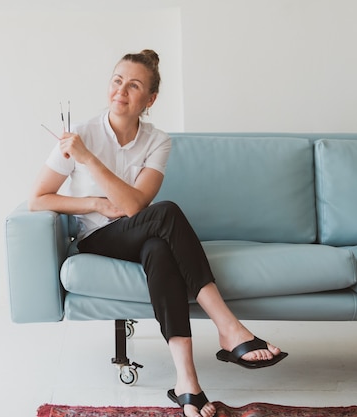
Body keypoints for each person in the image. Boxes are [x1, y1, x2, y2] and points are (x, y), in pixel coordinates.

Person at [28, 49, 287, 417]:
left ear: (149, 100)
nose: (121, 91)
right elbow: (37, 200)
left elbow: (134, 206)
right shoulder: (81, 136)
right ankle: (228, 327)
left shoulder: (158, 141)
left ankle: (187, 381)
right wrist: (94, 202)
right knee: (166, 214)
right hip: (98, 239)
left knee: (159, 249)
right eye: (117, 81)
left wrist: (92, 163)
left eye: (133, 85)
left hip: (136, 233)